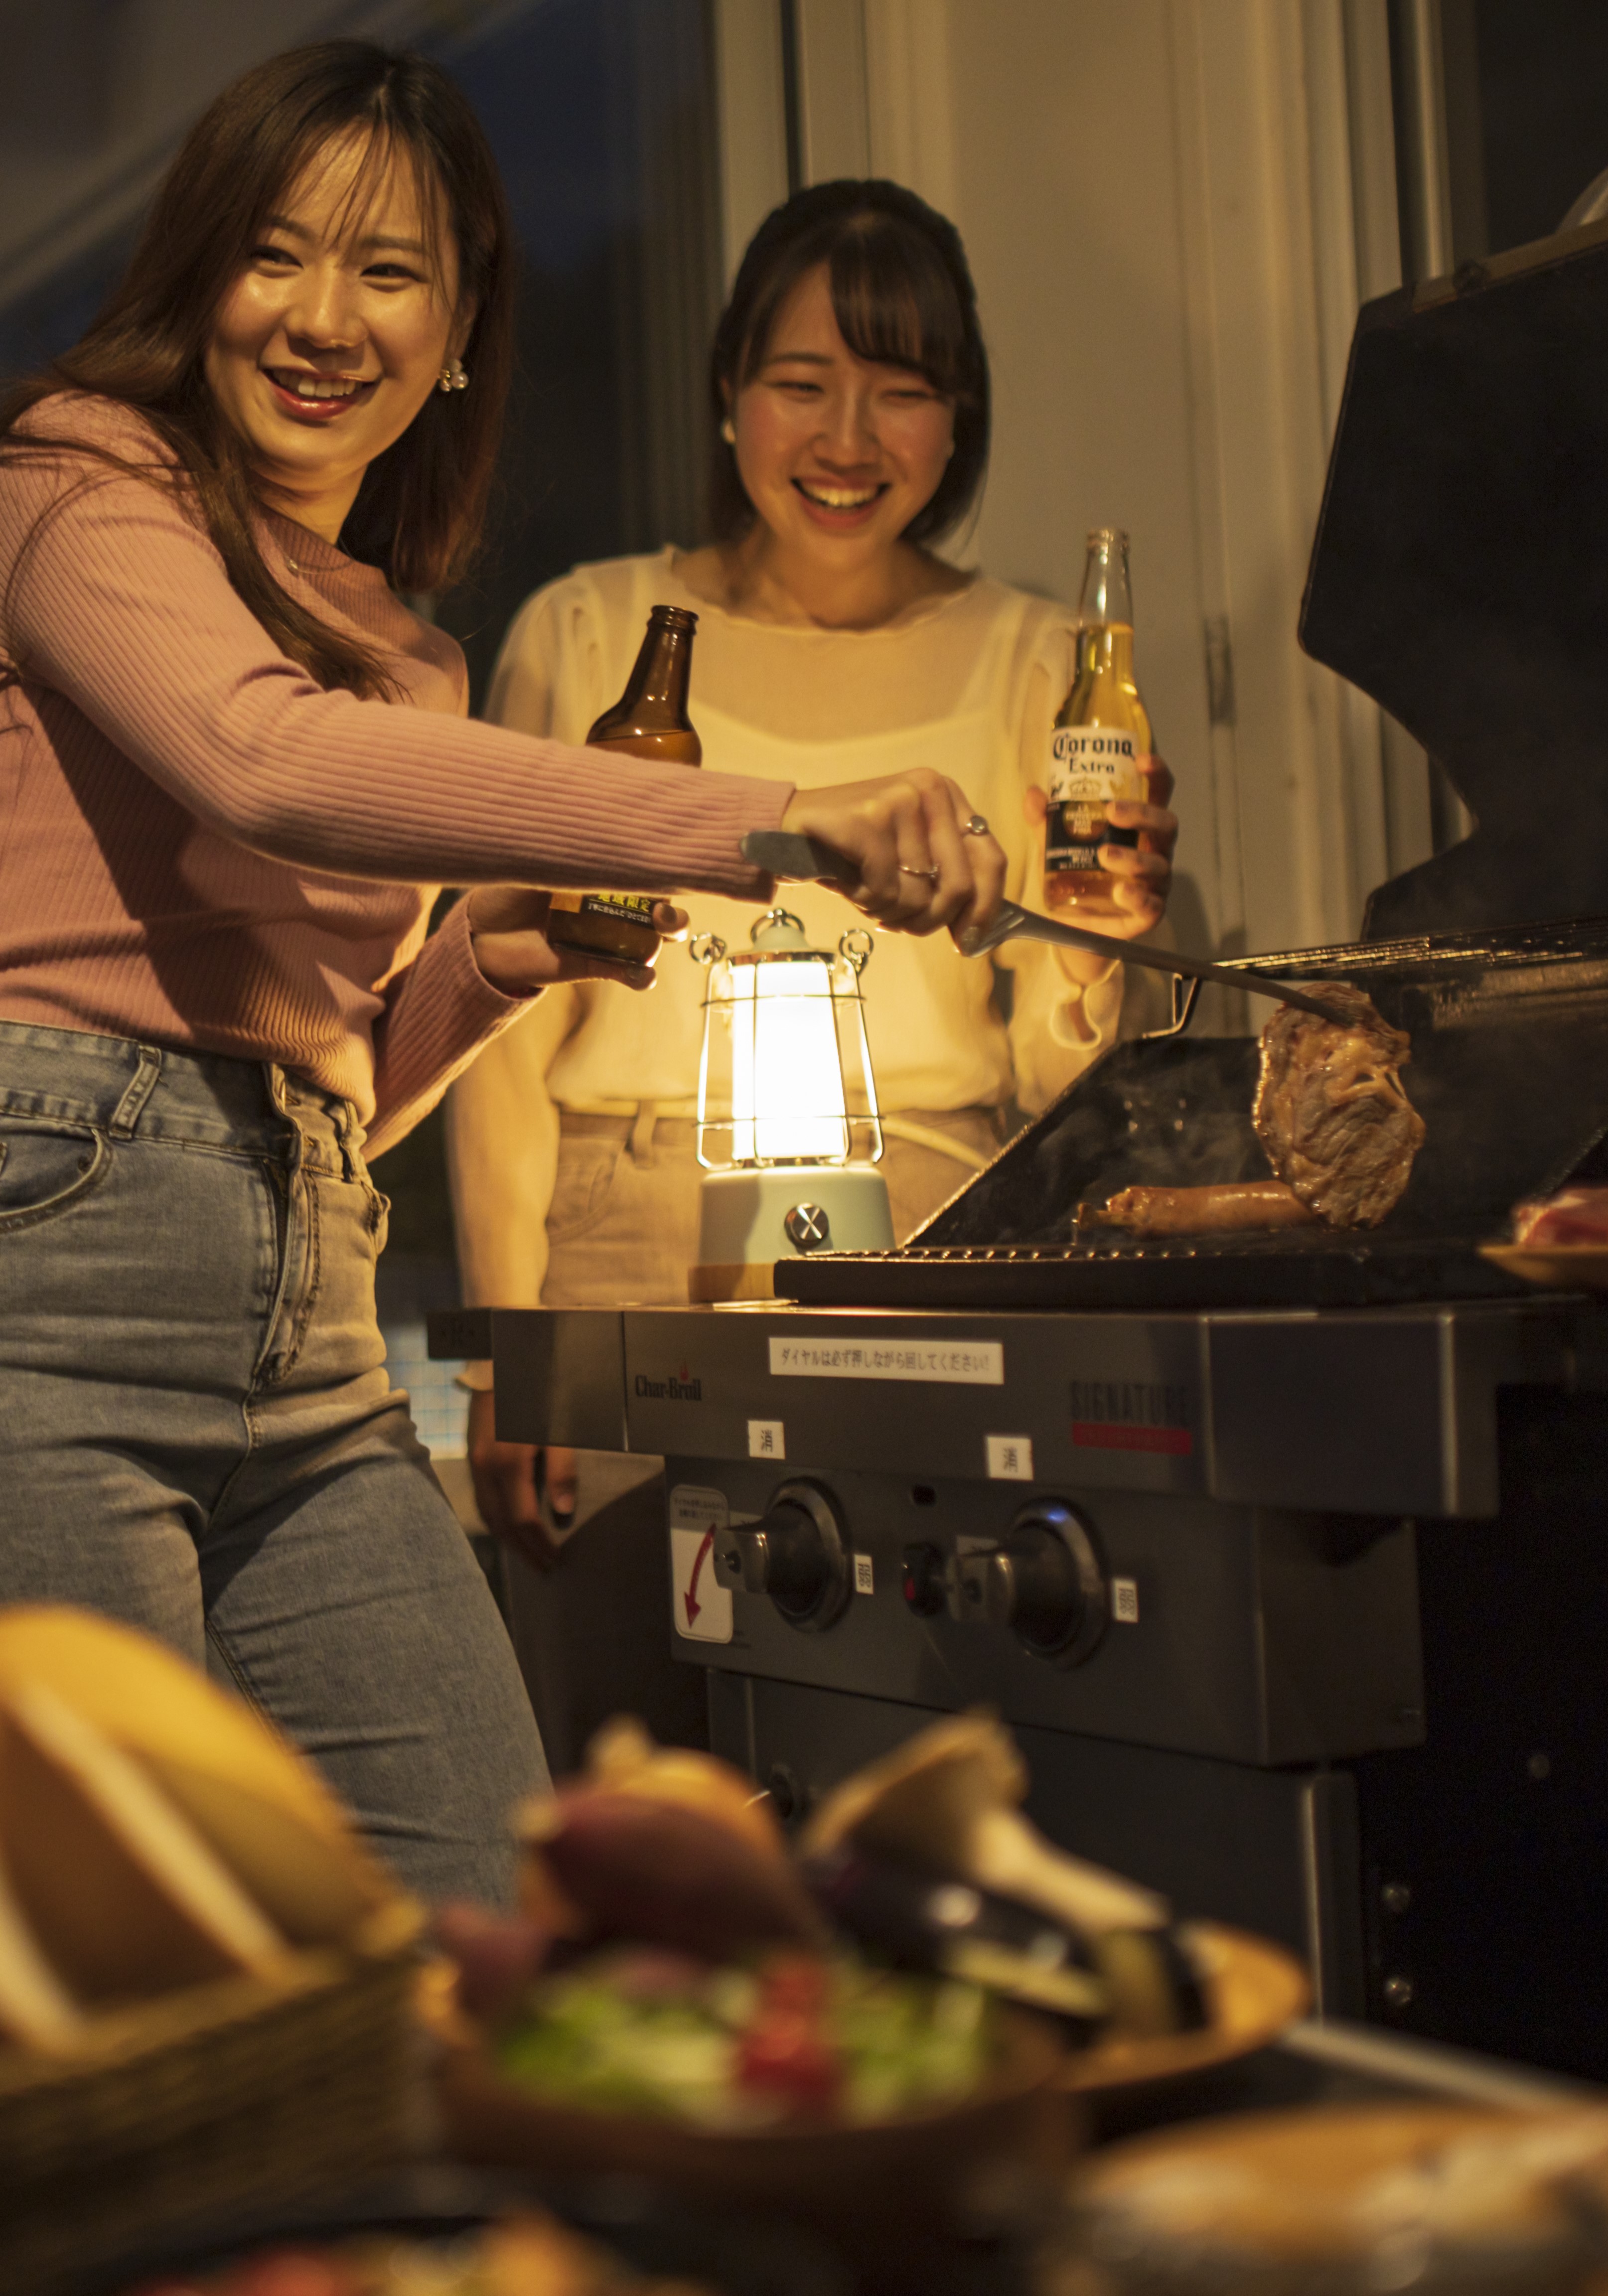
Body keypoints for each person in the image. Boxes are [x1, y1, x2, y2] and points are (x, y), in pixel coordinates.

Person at [0, 46, 1021, 1908]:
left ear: (458, 331)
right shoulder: (79, 474)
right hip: (16, 1267)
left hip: (299, 1314)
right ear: (201, 275)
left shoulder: (410, 658)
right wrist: (773, 822)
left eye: (389, 272)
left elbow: (342, 1079)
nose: (322, 317)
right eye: (275, 254)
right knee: (149, 1949)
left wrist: (507, 954)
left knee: (479, 1902)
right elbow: (259, 760)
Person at [445, 180, 1181, 1767]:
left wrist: (1108, 943)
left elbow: (1061, 1090)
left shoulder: (1041, 660)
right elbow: (502, 1026)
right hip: (630, 1225)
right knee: (635, 1735)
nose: (849, 437)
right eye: (803, 383)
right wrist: (514, 1347)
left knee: (924, 1731)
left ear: (958, 416)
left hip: (935, 1224)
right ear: (728, 394)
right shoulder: (591, 636)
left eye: (903, 388)